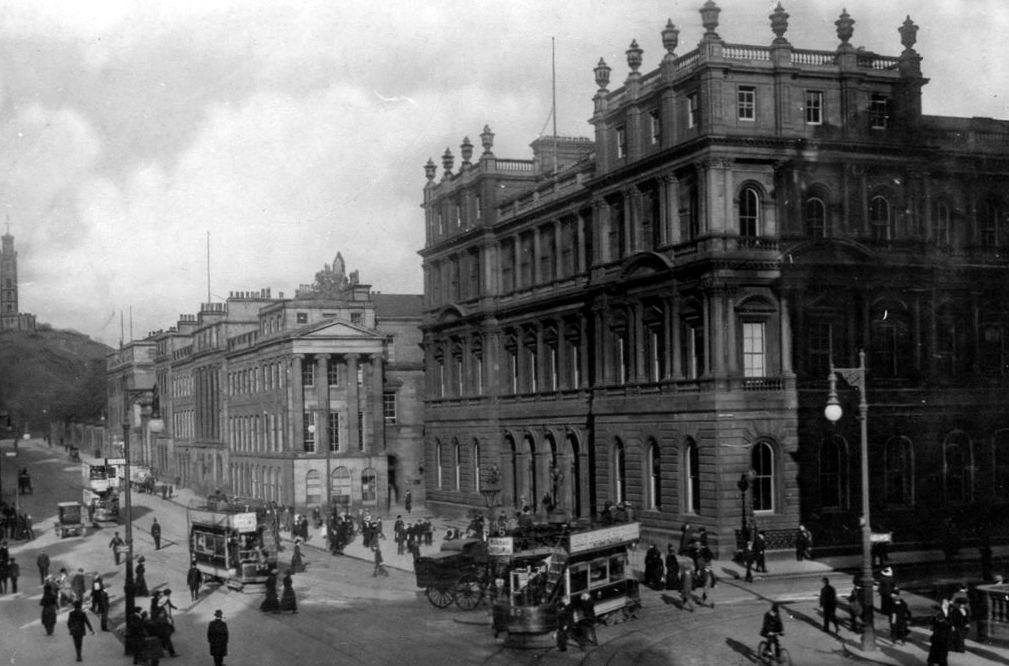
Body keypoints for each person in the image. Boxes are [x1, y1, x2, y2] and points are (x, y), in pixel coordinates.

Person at [927, 599, 952, 666]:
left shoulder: (950, 611)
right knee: (935, 649)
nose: (945, 605)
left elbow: (949, 622)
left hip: (945, 634)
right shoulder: (938, 612)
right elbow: (934, 621)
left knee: (942, 651)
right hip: (938, 634)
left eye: (946, 603)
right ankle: (932, 662)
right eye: (944, 603)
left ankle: (942, 663)